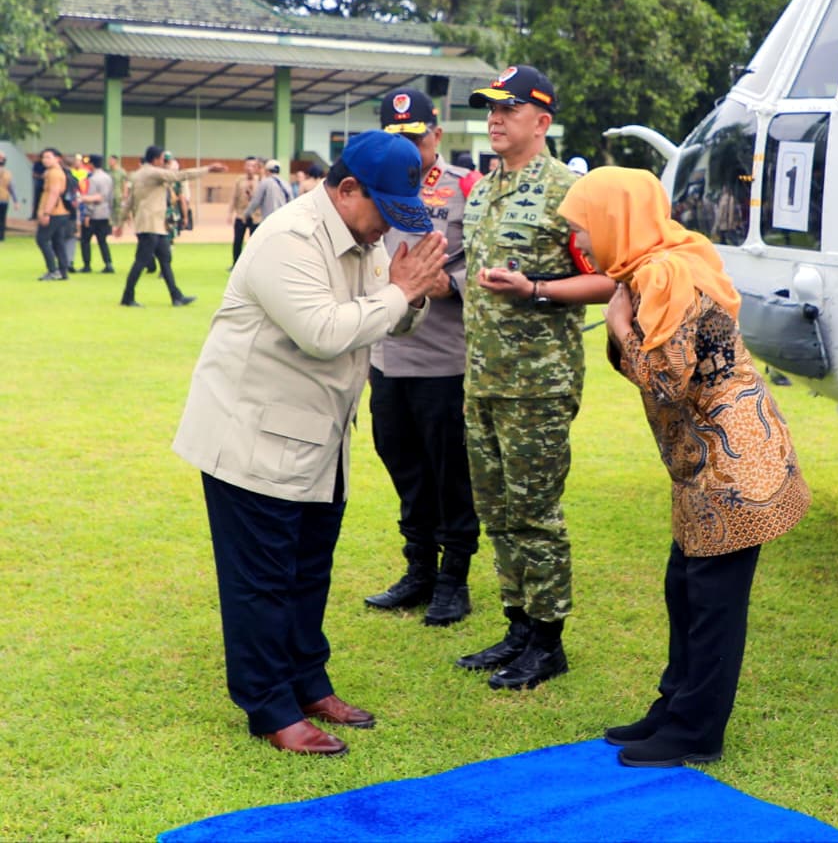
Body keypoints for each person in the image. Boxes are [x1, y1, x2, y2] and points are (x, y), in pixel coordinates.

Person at [172, 130, 449, 757]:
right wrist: (400, 292)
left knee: (307, 572)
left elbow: (388, 313)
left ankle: (307, 681)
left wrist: (411, 295)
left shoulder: (360, 237)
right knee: (262, 581)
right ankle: (269, 705)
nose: (386, 230)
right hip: (251, 440)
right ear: (346, 189)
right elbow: (324, 331)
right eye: (383, 210)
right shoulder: (288, 238)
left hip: (316, 439)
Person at [559, 167, 811, 767]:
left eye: (584, 231)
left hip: (733, 467)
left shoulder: (663, 274)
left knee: (712, 604)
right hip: (709, 462)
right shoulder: (662, 258)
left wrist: (619, 326)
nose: (583, 247)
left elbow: (667, 384)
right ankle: (675, 706)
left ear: (615, 219)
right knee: (686, 589)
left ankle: (697, 731)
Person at [454, 65, 615, 690]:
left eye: (508, 109)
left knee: (535, 512)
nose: (494, 119)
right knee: (495, 510)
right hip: (482, 379)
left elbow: (608, 279)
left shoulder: (568, 193)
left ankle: (548, 642)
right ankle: (517, 625)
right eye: (490, 109)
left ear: (541, 121)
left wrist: (537, 290)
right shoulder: (482, 188)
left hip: (538, 385)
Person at [364, 87, 480, 626]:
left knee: (449, 472)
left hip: (443, 358)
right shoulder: (370, 185)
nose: (410, 147)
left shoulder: (466, 189)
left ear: (437, 131)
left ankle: (454, 579)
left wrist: (447, 283)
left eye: (417, 136)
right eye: (398, 138)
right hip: (385, 354)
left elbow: (486, 263)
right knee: (401, 462)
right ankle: (420, 570)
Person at [116, 146, 226, 307]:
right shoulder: (153, 172)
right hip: (151, 225)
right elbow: (179, 175)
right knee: (141, 261)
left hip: (152, 224)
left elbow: (130, 201)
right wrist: (208, 169)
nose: (163, 162)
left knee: (165, 260)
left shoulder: (138, 174)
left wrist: (120, 222)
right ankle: (127, 297)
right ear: (155, 159)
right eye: (162, 159)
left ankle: (176, 296)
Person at [35, 148, 72, 281]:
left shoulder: (54, 174)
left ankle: (53, 270)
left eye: (48, 157)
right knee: (58, 242)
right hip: (61, 212)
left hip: (54, 213)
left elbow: (54, 193)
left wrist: (46, 213)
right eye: (43, 157)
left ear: (57, 158)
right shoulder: (53, 172)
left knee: (42, 239)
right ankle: (63, 271)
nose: (45, 160)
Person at [77, 155, 115, 273]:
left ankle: (87, 265)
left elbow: (91, 198)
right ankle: (108, 263)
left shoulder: (93, 179)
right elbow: (110, 197)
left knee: (85, 240)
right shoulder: (108, 177)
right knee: (102, 240)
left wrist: (87, 214)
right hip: (105, 213)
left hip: (94, 214)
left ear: (91, 164)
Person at [228, 156, 261, 268]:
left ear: (256, 167)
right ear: (244, 166)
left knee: (254, 242)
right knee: (237, 241)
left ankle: (252, 265)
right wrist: (230, 213)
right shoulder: (239, 181)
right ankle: (235, 264)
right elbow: (233, 197)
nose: (250, 168)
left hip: (256, 216)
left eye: (252, 166)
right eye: (248, 165)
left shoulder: (260, 181)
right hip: (241, 215)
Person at [243, 158, 294, 225]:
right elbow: (291, 202)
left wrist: (246, 214)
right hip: (283, 220)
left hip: (269, 220)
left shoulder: (265, 183)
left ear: (267, 171)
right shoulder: (286, 184)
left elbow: (256, 201)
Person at [107, 155, 129, 233]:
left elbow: (125, 184)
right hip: (109, 195)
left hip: (118, 194)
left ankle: (119, 229)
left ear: (116, 161)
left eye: (111, 160)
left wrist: (125, 194)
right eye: (109, 160)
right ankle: (111, 229)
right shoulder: (108, 172)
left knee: (119, 212)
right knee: (110, 212)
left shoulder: (121, 172)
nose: (109, 162)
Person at [0, 152, 16, 242]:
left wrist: (15, 200)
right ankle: (1, 237)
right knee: (2, 219)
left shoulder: (8, 173)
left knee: (2, 219)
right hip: (4, 199)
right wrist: (15, 201)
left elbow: (11, 187)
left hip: (3, 199)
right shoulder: (8, 173)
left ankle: (1, 236)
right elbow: (12, 188)